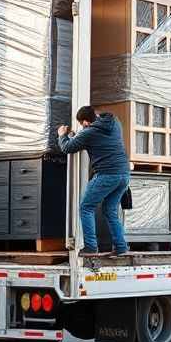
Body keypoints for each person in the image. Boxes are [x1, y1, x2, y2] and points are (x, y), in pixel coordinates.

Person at [58, 105, 131, 256]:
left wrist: (62, 135)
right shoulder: (114, 122)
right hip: (124, 174)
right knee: (110, 210)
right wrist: (78, 135)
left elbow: (67, 147)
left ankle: (91, 247)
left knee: (86, 207)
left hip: (107, 174)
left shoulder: (89, 132)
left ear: (85, 122)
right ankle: (121, 246)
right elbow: (94, 135)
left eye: (82, 124)